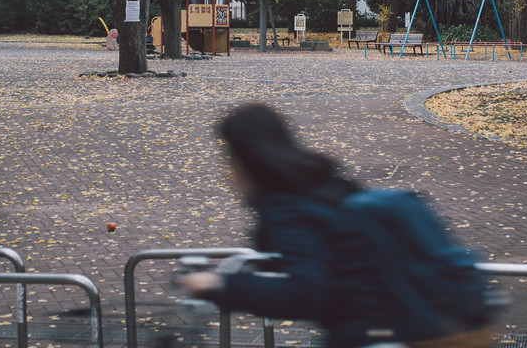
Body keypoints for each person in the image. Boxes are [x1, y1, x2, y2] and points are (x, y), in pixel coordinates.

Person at [180, 102, 493, 348]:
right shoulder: (327, 183)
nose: (226, 173)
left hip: (371, 334)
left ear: (245, 159)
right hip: (406, 320)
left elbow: (306, 292)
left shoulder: (287, 207)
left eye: (228, 160)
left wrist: (219, 285)